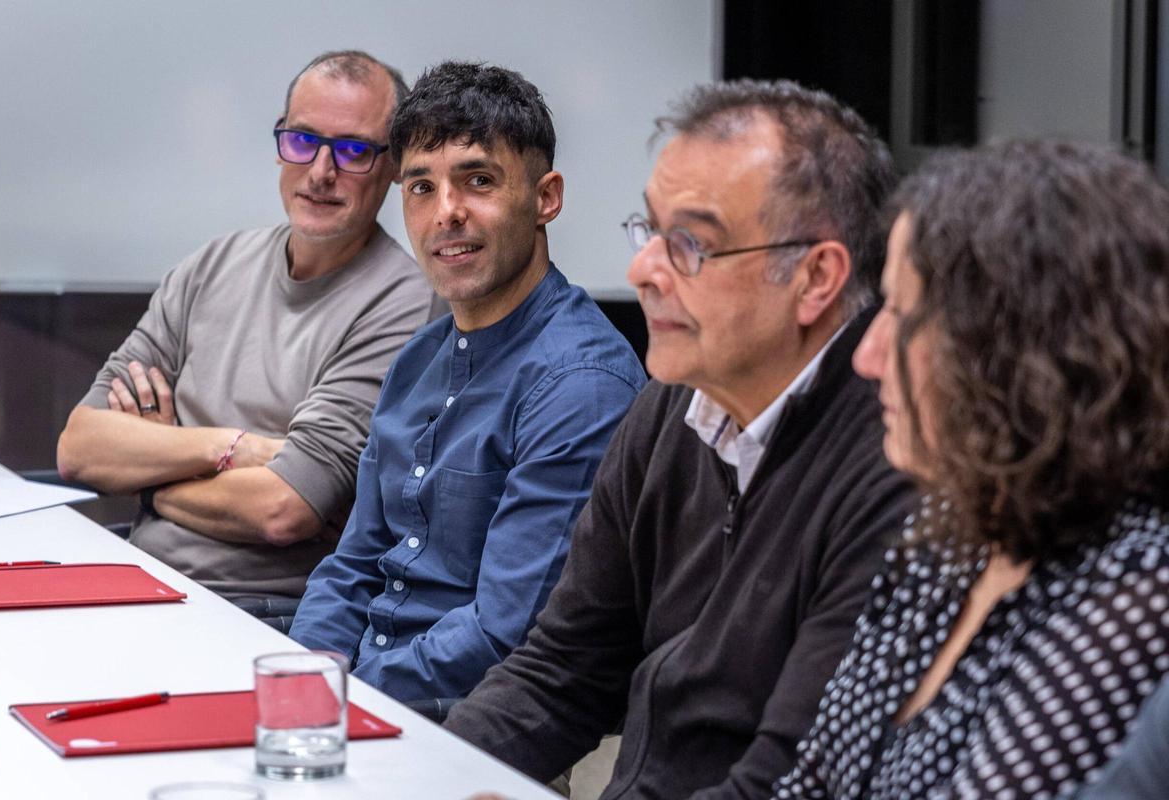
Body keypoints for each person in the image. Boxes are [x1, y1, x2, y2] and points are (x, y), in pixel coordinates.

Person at [443, 79, 916, 798]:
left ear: (816, 277)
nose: (642, 271)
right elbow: (563, 670)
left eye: (690, 244)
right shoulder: (671, 404)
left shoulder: (893, 465)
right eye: (651, 231)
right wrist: (422, 775)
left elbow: (792, 779)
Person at [766, 140, 1169, 799]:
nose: (867, 356)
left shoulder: (1140, 593)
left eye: (899, 314)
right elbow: (811, 780)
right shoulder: (950, 530)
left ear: (1011, 349)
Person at [288, 62, 645, 706]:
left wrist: (346, 697)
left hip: (468, 728)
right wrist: (307, 677)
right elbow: (352, 564)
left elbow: (506, 635)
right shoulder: (419, 358)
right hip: (359, 698)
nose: (445, 213)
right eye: (420, 187)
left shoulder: (580, 384)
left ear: (546, 198)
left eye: (477, 181)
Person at [56, 51, 434, 603]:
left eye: (353, 150)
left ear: (395, 166)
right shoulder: (212, 265)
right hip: (135, 579)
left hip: (261, 614)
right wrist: (234, 448)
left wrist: (149, 474)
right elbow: (80, 446)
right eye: (303, 140)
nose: (321, 171)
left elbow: (282, 509)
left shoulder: (404, 303)